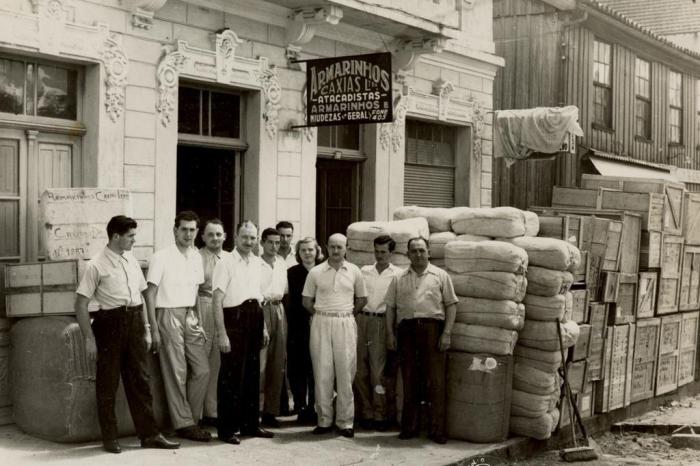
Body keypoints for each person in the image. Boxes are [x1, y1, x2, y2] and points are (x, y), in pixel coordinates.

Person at [75, 215, 180, 453]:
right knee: (108, 383)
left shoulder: (131, 260)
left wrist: (147, 330)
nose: (134, 240)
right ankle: (110, 438)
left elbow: (142, 297)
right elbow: (80, 305)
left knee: (141, 381)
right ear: (116, 237)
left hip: (133, 321)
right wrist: (89, 339)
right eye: (131, 236)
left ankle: (150, 435)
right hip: (108, 325)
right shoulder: (96, 265)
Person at [385, 237, 458, 444]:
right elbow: (390, 307)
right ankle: (410, 427)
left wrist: (447, 333)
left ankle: (437, 430)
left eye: (421, 250)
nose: (418, 254)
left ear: (429, 252)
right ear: (407, 254)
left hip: (432, 330)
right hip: (406, 331)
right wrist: (390, 334)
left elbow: (451, 305)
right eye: (413, 251)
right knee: (409, 380)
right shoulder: (398, 278)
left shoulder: (440, 276)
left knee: (436, 381)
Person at [145, 211, 210, 442]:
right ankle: (185, 423)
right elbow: (150, 294)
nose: (188, 234)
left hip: (190, 315)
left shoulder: (196, 257)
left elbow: (196, 292)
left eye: (192, 230)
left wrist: (199, 322)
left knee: (202, 370)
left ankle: (187, 420)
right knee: (177, 371)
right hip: (167, 313)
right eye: (184, 229)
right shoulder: (161, 257)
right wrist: (152, 328)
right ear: (175, 231)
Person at [212, 220, 274, 444]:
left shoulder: (257, 263)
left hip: (254, 317)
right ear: (236, 238)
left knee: (252, 374)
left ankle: (251, 424)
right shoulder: (225, 262)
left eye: (252, 238)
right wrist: (222, 333)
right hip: (233, 319)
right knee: (231, 377)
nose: (249, 242)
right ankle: (227, 429)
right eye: (245, 237)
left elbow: (258, 296)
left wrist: (264, 326)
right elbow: (216, 299)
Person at [302, 233, 367, 438]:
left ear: (346, 248)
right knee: (322, 372)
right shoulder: (315, 272)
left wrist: (345, 315)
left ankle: (345, 422)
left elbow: (362, 299)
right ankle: (324, 420)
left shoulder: (355, 271)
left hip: (345, 321)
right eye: (332, 247)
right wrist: (322, 316)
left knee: (346, 372)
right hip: (321, 320)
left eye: (340, 247)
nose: (336, 251)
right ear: (326, 247)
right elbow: (306, 301)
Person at [355, 235, 402, 431]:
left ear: (391, 253)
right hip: (362, 319)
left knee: (377, 372)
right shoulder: (365, 271)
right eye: (377, 251)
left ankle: (380, 414)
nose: (379, 255)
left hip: (382, 322)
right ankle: (365, 412)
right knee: (359, 369)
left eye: (383, 252)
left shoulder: (398, 274)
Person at [198, 219, 231, 427]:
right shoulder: (196, 257)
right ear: (203, 237)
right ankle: (197, 413)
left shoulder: (229, 258)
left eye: (218, 234)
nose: (215, 238)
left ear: (225, 236)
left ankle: (213, 411)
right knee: (201, 363)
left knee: (217, 363)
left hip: (223, 308)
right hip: (202, 306)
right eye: (210, 234)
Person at [287, 237, 323, 424]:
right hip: (298, 326)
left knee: (315, 367)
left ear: (317, 251)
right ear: (298, 253)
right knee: (297, 366)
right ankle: (300, 405)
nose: (307, 253)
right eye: (303, 250)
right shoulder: (292, 273)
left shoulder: (323, 271)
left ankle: (315, 407)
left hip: (320, 324)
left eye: (311, 250)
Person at [259, 228, 288, 428]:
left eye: (277, 243)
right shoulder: (255, 264)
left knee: (278, 362)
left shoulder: (281, 263)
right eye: (270, 242)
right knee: (260, 363)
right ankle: (255, 411)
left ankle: (270, 412)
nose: (274, 246)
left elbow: (284, 290)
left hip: (279, 309)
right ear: (262, 243)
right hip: (261, 309)